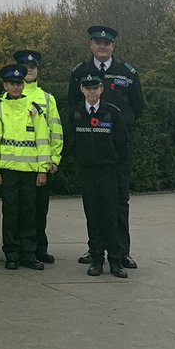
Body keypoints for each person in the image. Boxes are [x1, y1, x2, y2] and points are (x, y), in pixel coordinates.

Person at [68, 26, 144, 268]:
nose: (102, 46)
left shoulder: (126, 73)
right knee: (94, 203)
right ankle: (96, 249)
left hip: (118, 149)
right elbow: (72, 106)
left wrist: (121, 131)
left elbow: (138, 106)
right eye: (98, 42)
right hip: (91, 149)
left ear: (113, 46)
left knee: (119, 200)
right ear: (91, 44)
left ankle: (121, 251)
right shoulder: (80, 72)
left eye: (107, 43)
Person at [0, 62, 50, 271]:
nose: (15, 87)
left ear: (23, 85)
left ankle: (28, 254)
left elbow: (42, 140)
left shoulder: (34, 109)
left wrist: (43, 169)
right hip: (8, 171)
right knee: (11, 213)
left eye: (19, 83)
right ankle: (11, 254)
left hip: (30, 171)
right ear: (5, 86)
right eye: (11, 83)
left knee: (29, 213)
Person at [65, 74, 129, 278]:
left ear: (101, 89)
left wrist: (118, 170)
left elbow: (122, 144)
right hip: (87, 172)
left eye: (95, 88)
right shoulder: (75, 113)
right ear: (82, 90)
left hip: (108, 172)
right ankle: (97, 259)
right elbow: (70, 142)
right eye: (88, 88)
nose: (92, 92)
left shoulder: (112, 113)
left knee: (111, 216)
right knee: (92, 216)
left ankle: (116, 261)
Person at [11, 49, 63, 264]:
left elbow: (56, 131)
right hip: (17, 163)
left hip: (41, 163)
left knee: (39, 210)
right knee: (19, 211)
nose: (29, 70)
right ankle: (20, 250)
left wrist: (54, 159)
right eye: (25, 68)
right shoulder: (8, 96)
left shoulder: (46, 98)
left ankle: (39, 248)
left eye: (32, 67)